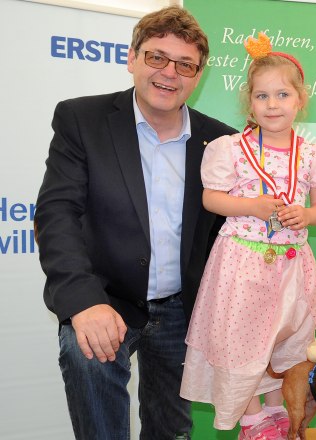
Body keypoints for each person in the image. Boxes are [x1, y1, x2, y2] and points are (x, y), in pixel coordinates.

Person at [34, 6, 236, 439]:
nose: (169, 73)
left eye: (185, 64)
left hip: (183, 308)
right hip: (106, 299)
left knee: (171, 429)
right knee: (85, 358)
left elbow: (229, 233)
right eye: (156, 57)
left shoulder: (222, 141)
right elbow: (57, 214)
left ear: (198, 76)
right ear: (131, 58)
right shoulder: (81, 120)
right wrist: (83, 302)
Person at [179, 32, 316, 440]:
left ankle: (276, 410)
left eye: (282, 94)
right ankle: (250, 418)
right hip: (241, 263)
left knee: (285, 340)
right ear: (249, 102)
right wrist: (251, 205)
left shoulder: (315, 153)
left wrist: (307, 215)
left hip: (290, 266)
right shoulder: (231, 148)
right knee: (241, 341)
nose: (272, 104)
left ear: (300, 99)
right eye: (262, 96)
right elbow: (212, 199)